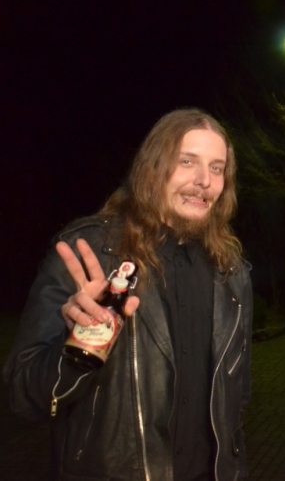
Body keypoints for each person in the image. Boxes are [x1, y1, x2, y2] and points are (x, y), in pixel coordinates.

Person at [4, 109, 253, 481]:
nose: (204, 180)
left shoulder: (231, 272)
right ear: (152, 168)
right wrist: (80, 345)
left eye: (217, 168)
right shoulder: (90, 251)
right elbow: (22, 397)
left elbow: (236, 400)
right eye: (187, 162)